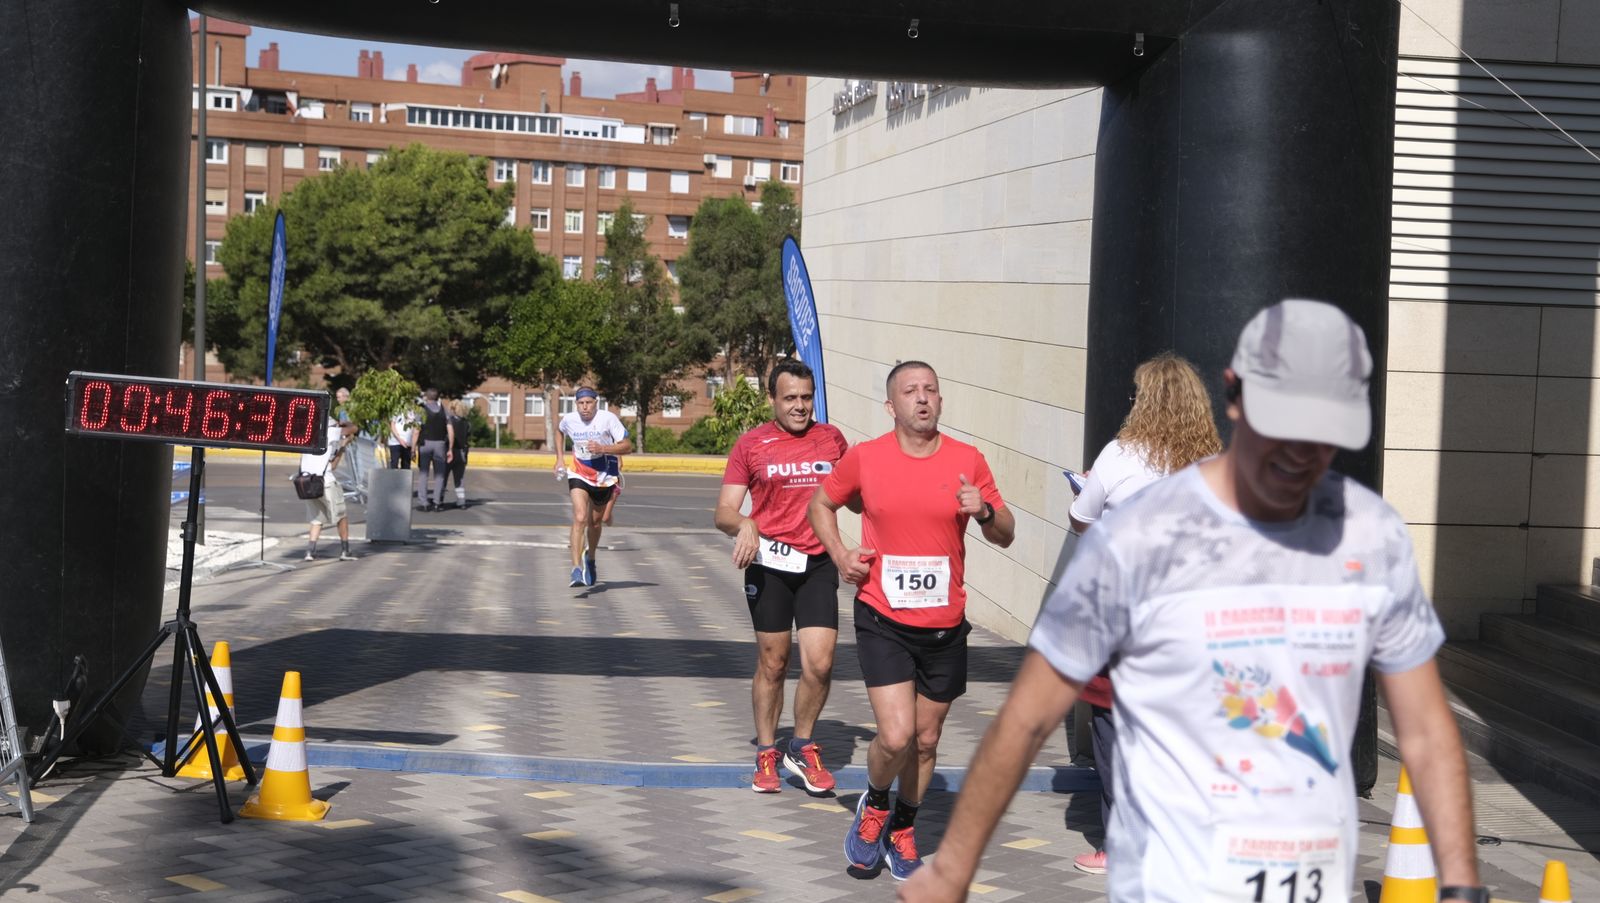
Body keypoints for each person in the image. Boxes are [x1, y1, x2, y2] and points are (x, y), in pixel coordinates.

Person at [901, 299, 1481, 903]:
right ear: (1235, 394)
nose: (1302, 451)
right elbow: (1027, 716)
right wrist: (953, 867)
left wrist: (1463, 882)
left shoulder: (1371, 535)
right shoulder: (1138, 537)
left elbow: (1426, 730)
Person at [808, 360, 1015, 882]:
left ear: (940, 402)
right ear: (891, 405)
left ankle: (903, 826)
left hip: (944, 625)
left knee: (926, 740)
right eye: (910, 391)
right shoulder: (866, 457)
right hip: (883, 614)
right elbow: (821, 505)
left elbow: (1006, 533)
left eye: (931, 391)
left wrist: (985, 511)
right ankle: (875, 806)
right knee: (897, 736)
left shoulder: (968, 461)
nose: (922, 398)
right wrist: (840, 555)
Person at [1063, 351, 1221, 875]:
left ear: (1146, 402)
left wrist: (1092, 488)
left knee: (1114, 732)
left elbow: (1082, 517)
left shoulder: (1120, 454)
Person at [715, 360, 849, 795]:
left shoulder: (831, 440)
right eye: (790, 398)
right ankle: (767, 751)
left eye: (806, 398)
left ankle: (802, 744)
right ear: (772, 399)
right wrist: (745, 525)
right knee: (773, 663)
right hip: (769, 562)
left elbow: (860, 496)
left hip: (817, 561)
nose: (799, 407)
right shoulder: (752, 445)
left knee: (821, 663)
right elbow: (723, 513)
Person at [556, 387, 633, 587]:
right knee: (580, 517)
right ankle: (575, 569)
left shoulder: (608, 419)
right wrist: (559, 459)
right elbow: (559, 430)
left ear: (596, 402)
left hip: (604, 476)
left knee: (596, 523)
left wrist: (603, 448)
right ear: (576, 404)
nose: (585, 407)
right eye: (581, 403)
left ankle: (590, 557)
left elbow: (627, 446)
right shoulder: (570, 419)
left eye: (588, 403)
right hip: (579, 472)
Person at [300, 401, 358, 562]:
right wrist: (345, 424)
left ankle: (310, 552)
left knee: (317, 517)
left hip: (307, 483)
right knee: (341, 515)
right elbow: (353, 429)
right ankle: (345, 550)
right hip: (326, 482)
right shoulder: (330, 432)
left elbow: (331, 464)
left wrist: (342, 448)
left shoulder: (307, 434)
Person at [413, 387, 454, 512]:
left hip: (425, 444)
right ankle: (437, 502)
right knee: (439, 474)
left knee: (424, 473)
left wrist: (413, 447)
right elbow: (451, 430)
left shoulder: (421, 411)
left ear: (426, 397)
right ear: (437, 397)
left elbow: (416, 430)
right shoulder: (444, 410)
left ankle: (424, 502)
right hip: (440, 444)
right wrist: (450, 448)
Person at [446, 399, 472, 509]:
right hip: (462, 452)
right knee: (459, 479)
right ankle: (461, 501)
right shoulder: (467, 423)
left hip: (450, 452)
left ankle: (439, 500)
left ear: (452, 409)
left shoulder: (449, 422)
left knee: (443, 476)